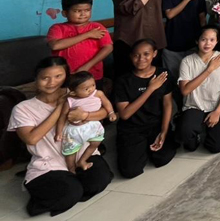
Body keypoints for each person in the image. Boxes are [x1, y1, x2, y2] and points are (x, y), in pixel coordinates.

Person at [8, 57, 113, 217]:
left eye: (58, 76)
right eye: (45, 78)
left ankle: (71, 184)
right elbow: (31, 139)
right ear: (36, 78)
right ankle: (40, 196)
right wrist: (60, 108)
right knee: (71, 193)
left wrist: (85, 115)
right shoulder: (23, 108)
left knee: (99, 182)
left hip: (81, 155)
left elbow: (104, 111)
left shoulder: (79, 93)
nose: (52, 82)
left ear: (67, 77)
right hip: (48, 163)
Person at [114, 39, 177, 179]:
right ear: (131, 56)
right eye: (136, 55)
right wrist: (150, 89)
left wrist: (164, 131)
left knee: (162, 159)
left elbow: (167, 104)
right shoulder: (123, 81)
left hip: (155, 125)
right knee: (130, 171)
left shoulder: (163, 74)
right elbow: (125, 114)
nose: (141, 59)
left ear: (154, 54)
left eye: (146, 54)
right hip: (132, 128)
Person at [177, 26, 220, 153]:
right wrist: (209, 69)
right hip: (195, 105)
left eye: (212, 40)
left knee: (215, 146)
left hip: (216, 104)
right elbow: (185, 90)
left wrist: (218, 111)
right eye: (203, 39)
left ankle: (208, 129)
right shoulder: (187, 61)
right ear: (197, 41)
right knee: (187, 138)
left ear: (217, 41)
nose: (208, 43)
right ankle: (197, 134)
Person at [113, 0, 166, 78]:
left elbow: (163, 10)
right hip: (129, 39)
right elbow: (130, 8)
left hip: (153, 39)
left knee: (153, 76)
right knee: (126, 77)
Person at [47, 0, 113, 85]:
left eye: (87, 10)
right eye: (77, 11)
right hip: (65, 75)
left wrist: (87, 66)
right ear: (65, 13)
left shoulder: (97, 27)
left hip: (92, 74)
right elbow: (55, 45)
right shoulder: (57, 28)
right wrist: (87, 35)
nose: (83, 14)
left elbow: (108, 47)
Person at [55, 72, 115, 173]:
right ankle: (71, 169)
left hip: (93, 125)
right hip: (75, 130)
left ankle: (82, 160)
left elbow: (106, 103)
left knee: (95, 143)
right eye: (86, 89)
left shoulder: (98, 93)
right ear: (74, 92)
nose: (91, 89)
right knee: (70, 152)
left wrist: (111, 112)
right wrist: (59, 132)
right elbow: (62, 117)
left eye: (93, 85)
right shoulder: (70, 101)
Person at [163, 0, 206, 86]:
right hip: (172, 43)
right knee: (172, 78)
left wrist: (203, 39)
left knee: (192, 78)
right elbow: (170, 14)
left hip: (193, 43)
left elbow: (202, 18)